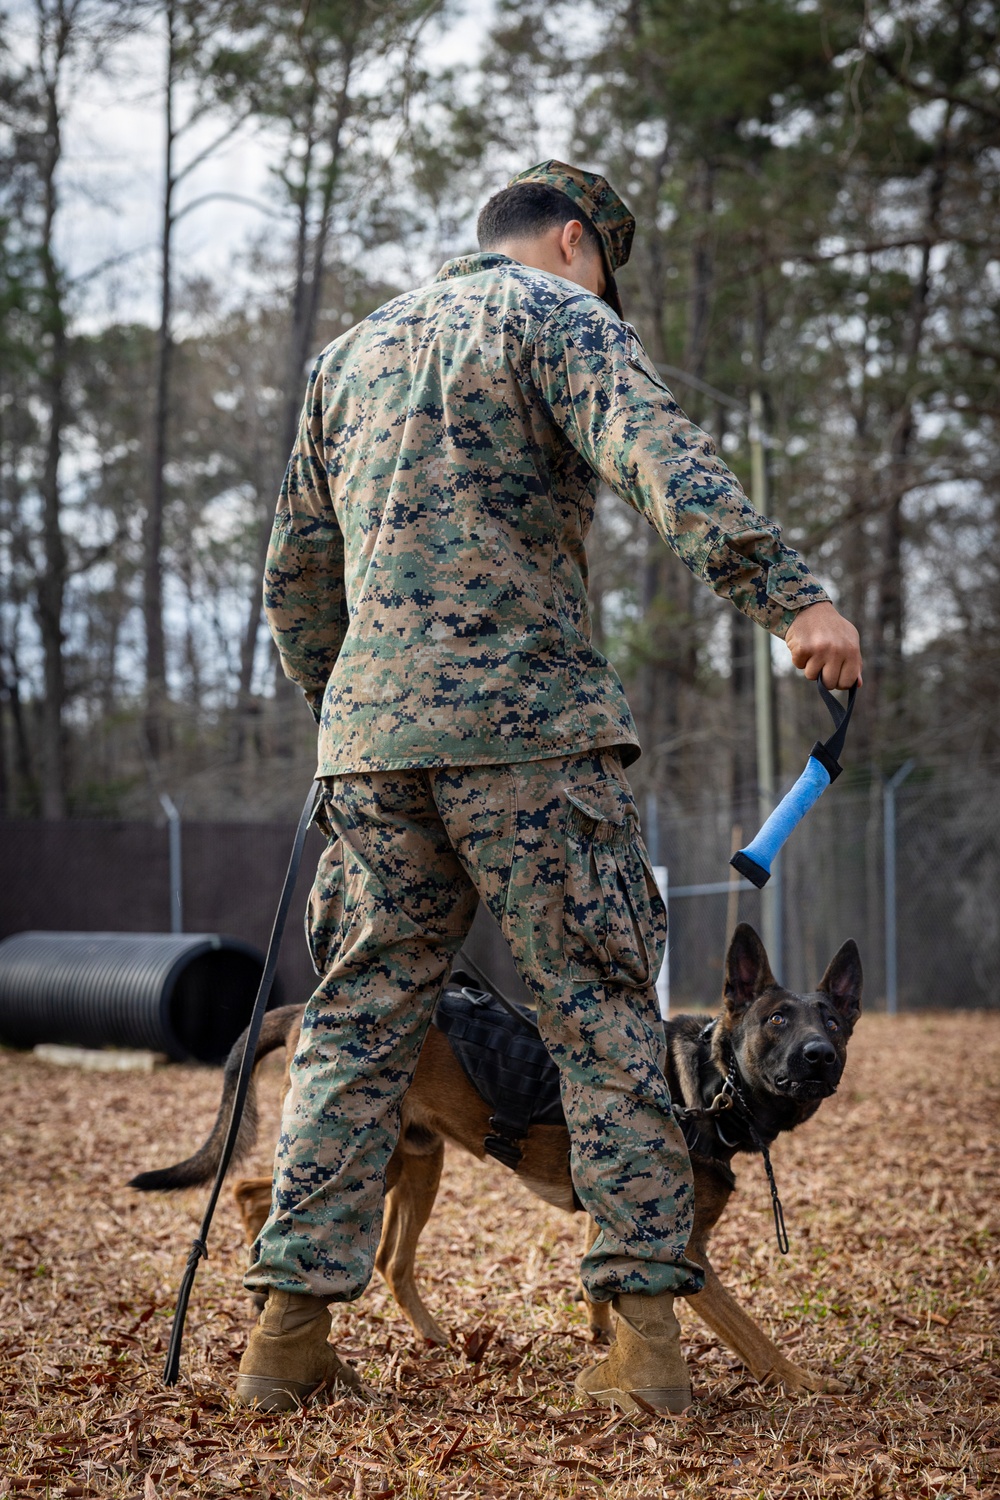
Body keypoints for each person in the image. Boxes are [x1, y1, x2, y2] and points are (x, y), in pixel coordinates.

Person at [237, 161, 862, 1414]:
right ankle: (640, 1354)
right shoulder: (560, 314)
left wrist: (352, 713)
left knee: (357, 1028)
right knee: (601, 1018)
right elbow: (660, 459)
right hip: (528, 735)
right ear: (576, 244)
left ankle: (288, 1343)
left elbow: (297, 581)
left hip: (370, 746)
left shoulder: (348, 356)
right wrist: (791, 597)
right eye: (604, 272)